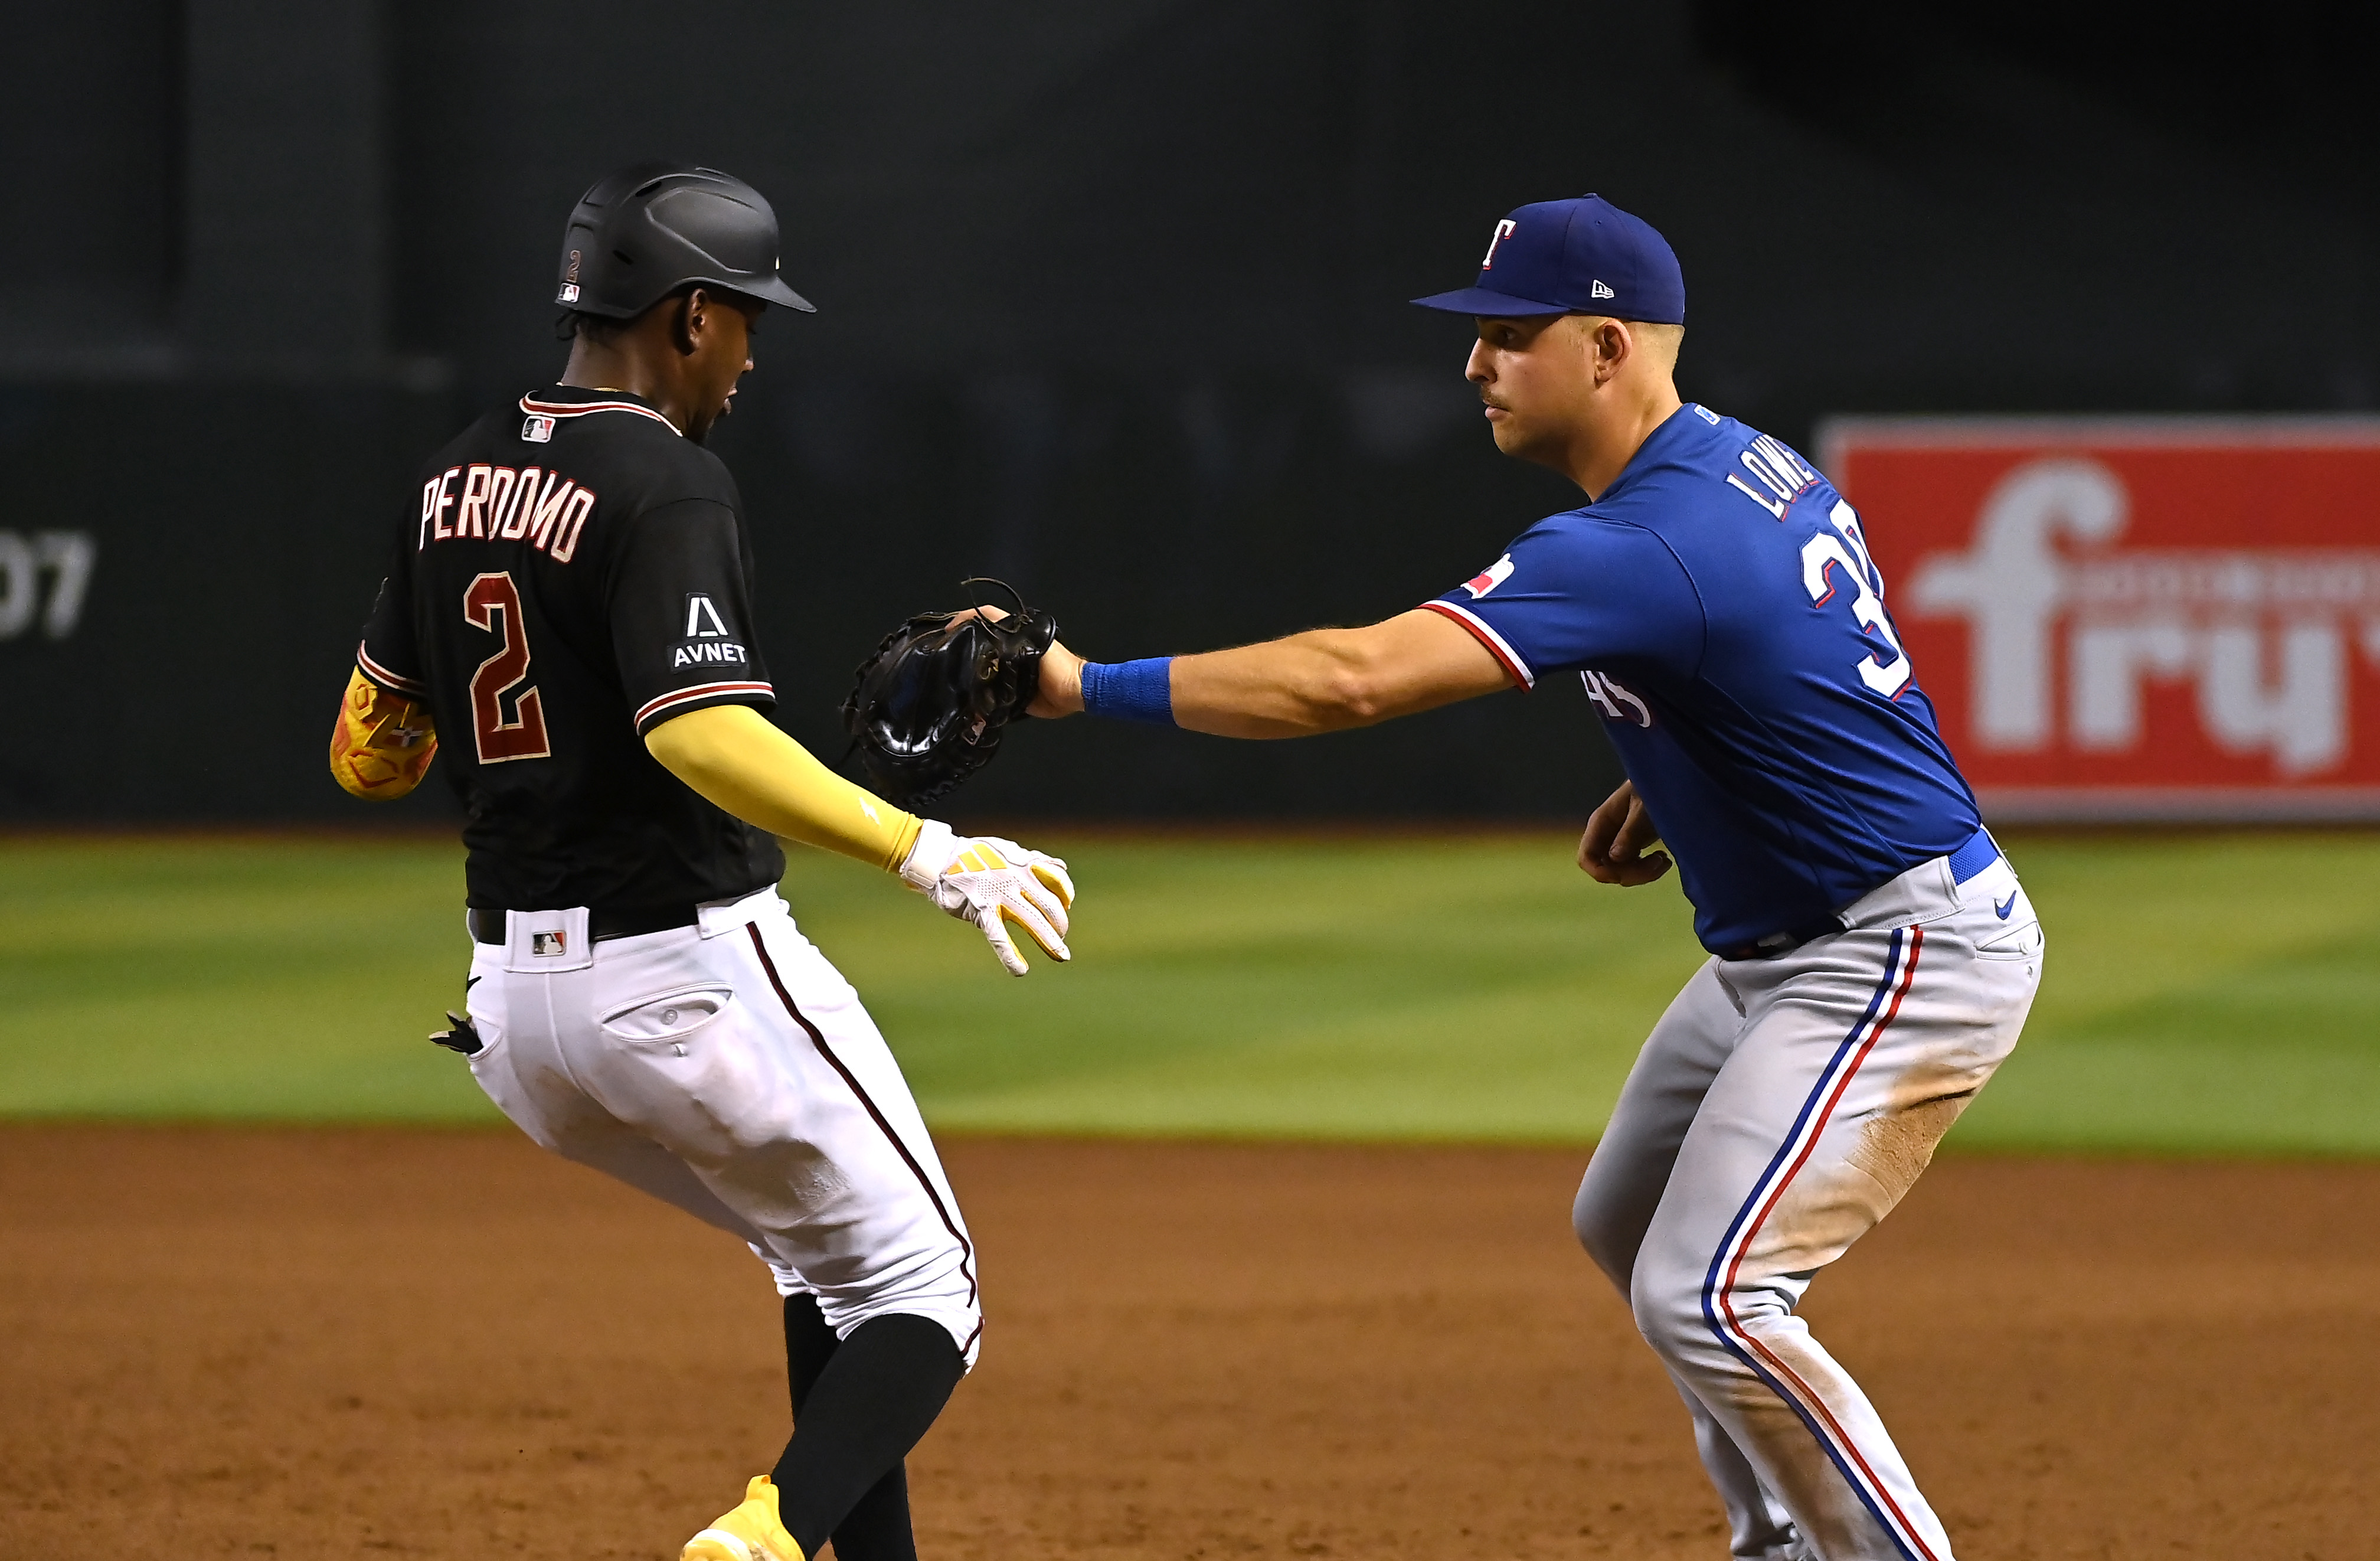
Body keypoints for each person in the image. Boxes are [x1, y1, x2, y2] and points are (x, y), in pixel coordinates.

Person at [1020, 195, 2042, 1561]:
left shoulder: (1635, 544)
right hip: (1793, 939)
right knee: (1624, 1221)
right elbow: (1809, 673)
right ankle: (1785, 1537)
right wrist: (1684, 779)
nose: (1475, 365)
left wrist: (1087, 686)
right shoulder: (1751, 466)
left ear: (1608, 346)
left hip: (1900, 955)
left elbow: (1351, 679)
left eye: (1508, 335)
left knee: (1714, 1292)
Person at [328, 162, 1077, 1561]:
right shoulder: (669, 478)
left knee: (828, 1265)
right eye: (744, 319)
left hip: (516, 1020)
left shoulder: (448, 478)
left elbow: (367, 752)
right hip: (682, 976)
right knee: (931, 1289)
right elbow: (705, 735)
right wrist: (926, 847)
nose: (749, 353)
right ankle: (764, 1537)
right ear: (684, 317)